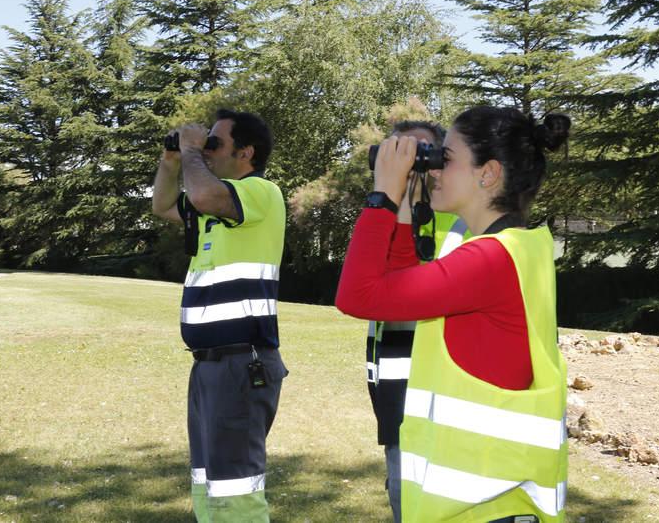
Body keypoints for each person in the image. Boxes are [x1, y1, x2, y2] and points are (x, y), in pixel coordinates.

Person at [336, 106, 570, 522]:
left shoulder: (490, 258)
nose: (434, 168)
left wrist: (383, 194)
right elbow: (400, 287)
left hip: (484, 505)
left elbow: (358, 295)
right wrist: (405, 204)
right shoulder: (519, 246)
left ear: (488, 173)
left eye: (446, 157)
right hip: (489, 498)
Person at [152, 109, 288, 522]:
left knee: (236, 493)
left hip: (241, 364)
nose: (208, 152)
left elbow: (203, 196)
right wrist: (171, 160)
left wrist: (193, 150)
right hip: (210, 365)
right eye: (205, 143)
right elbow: (161, 205)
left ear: (246, 153)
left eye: (216, 144)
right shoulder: (214, 206)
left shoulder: (261, 192)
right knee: (209, 485)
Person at [364, 120, 470, 523]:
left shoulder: (459, 223)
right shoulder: (380, 218)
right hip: (394, 394)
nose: (411, 164)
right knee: (403, 501)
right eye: (399, 152)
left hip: (443, 396)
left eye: (419, 154)